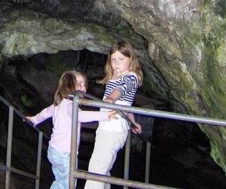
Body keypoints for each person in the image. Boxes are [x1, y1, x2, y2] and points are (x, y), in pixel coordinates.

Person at [25, 70, 115, 189]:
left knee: (61, 181)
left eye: (84, 84)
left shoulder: (60, 103)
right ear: (68, 85)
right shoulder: (70, 106)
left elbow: (45, 112)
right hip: (64, 154)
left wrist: (34, 119)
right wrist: (106, 115)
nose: (83, 88)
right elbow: (82, 116)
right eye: (79, 84)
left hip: (54, 151)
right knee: (67, 184)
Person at [84, 41, 143, 189]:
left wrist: (112, 98)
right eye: (114, 60)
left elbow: (123, 89)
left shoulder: (131, 76)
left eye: (121, 59)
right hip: (108, 127)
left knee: (96, 170)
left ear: (131, 59)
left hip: (112, 129)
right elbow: (127, 107)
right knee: (103, 169)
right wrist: (133, 122)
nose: (117, 63)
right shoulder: (115, 77)